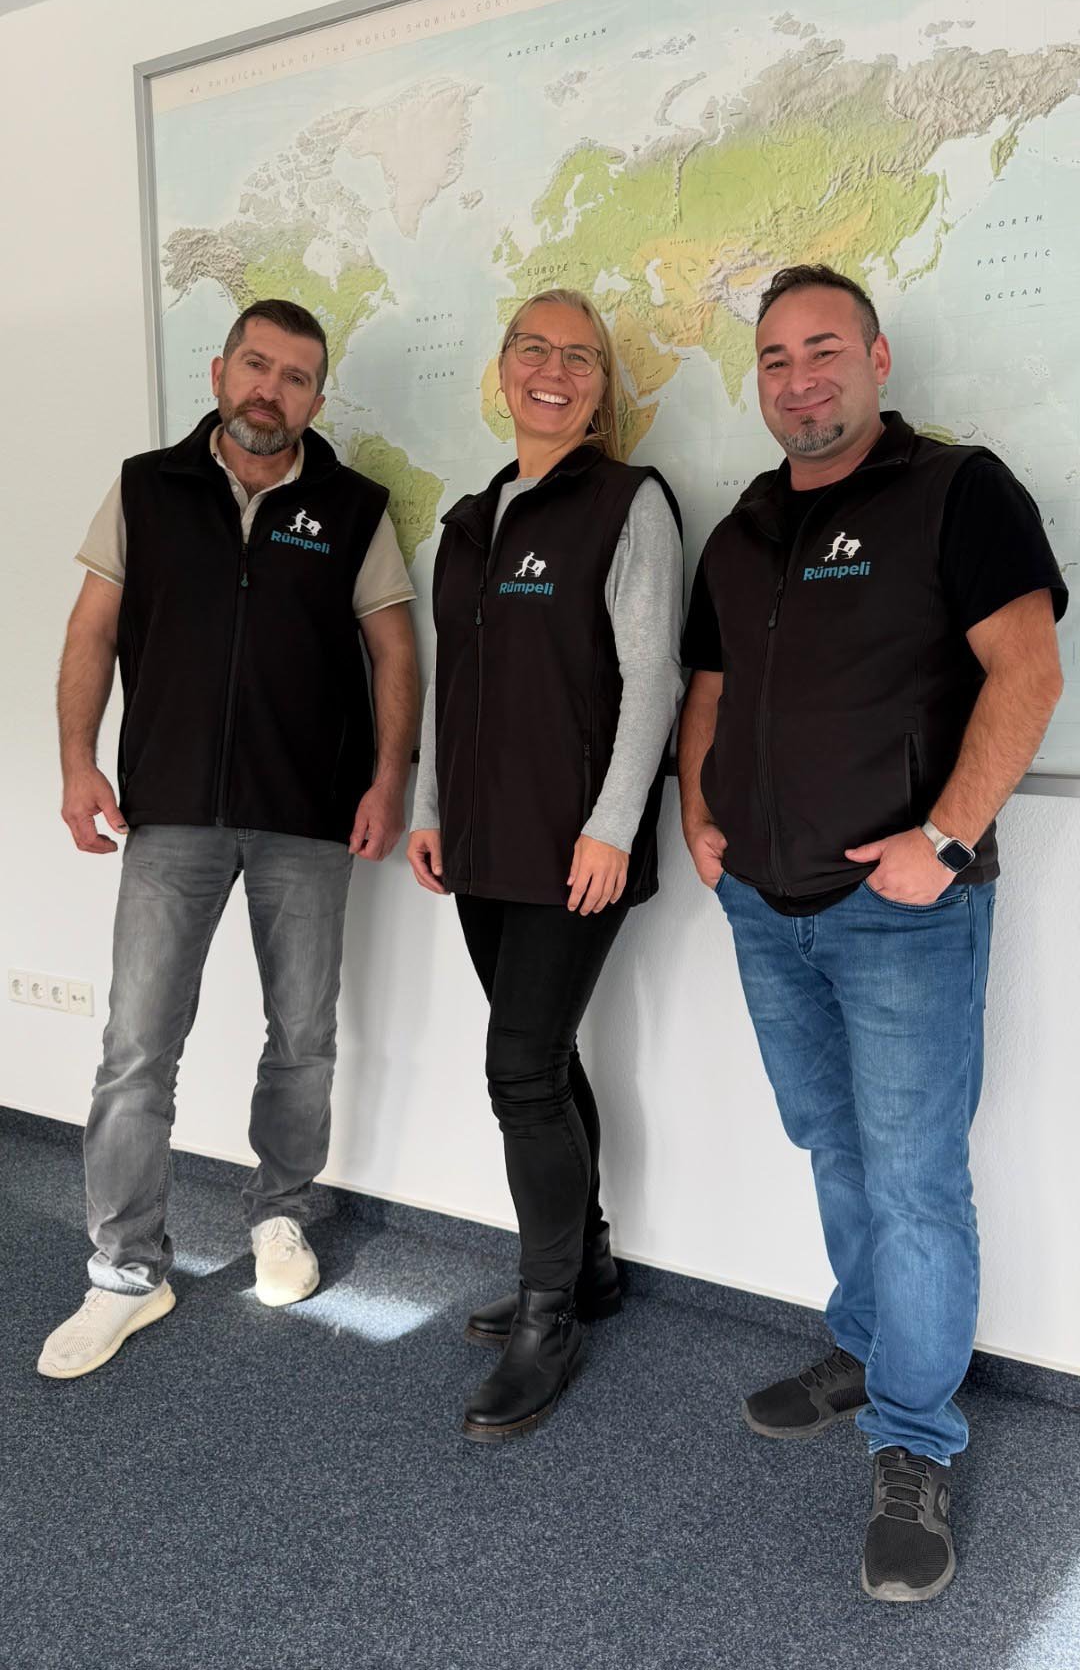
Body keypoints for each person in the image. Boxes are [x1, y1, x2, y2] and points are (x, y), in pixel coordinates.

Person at [678, 264, 1067, 1604]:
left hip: (902, 914)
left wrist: (944, 840)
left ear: (878, 356)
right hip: (762, 903)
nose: (801, 379)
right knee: (832, 1143)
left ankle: (916, 1437)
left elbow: (1028, 670)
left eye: (825, 349)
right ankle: (865, 1346)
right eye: (776, 358)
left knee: (912, 1179)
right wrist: (699, 808)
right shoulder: (741, 527)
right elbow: (712, 682)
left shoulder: (960, 491)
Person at [39, 299, 419, 1379]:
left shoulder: (352, 507)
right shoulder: (145, 488)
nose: (270, 390)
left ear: (317, 397)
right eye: (256, 365)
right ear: (220, 371)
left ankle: (280, 1212)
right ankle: (126, 1270)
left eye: (295, 377)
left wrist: (391, 777)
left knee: (303, 1034)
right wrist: (78, 761)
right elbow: (91, 629)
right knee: (137, 1046)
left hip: (307, 814)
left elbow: (395, 651)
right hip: (169, 812)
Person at [407, 288, 683, 1440]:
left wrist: (613, 826)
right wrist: (430, 806)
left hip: (576, 847)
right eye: (534, 348)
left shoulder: (629, 502)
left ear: (600, 386)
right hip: (482, 841)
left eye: (579, 356)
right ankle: (591, 1266)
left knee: (518, 1071)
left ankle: (546, 1313)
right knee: (547, 1056)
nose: (553, 370)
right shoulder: (469, 520)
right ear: (503, 365)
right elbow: (452, 683)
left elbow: (654, 676)